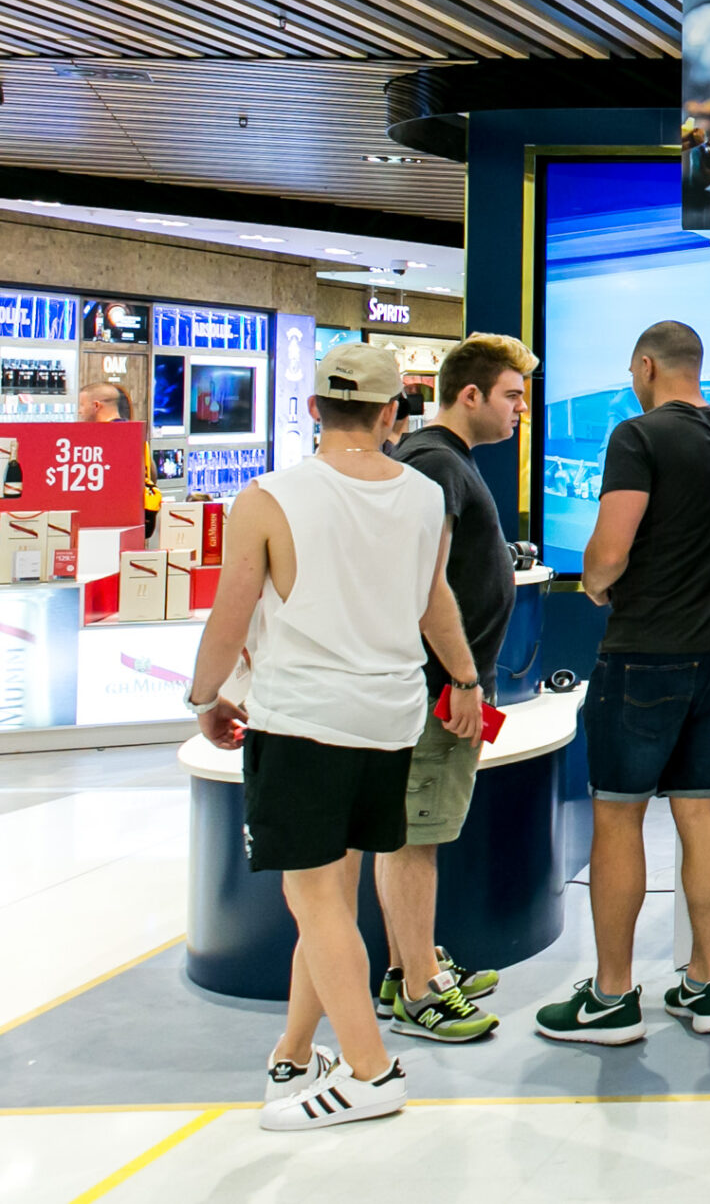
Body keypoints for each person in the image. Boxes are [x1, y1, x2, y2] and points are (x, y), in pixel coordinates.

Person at [182, 342, 478, 1132]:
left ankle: (371, 1070)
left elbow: (231, 615)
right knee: (332, 901)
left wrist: (204, 697)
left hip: (304, 719)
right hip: (388, 720)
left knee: (314, 900)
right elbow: (434, 602)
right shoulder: (423, 497)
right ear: (391, 414)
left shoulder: (270, 497)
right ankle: (294, 1050)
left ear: (314, 408)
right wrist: (470, 681)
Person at [537, 322, 710, 1046]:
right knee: (700, 811)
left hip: (644, 652)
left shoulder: (637, 436)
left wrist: (601, 582)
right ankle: (705, 983)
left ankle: (611, 998)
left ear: (646, 365)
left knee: (619, 816)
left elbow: (608, 550)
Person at [373, 333, 538, 1043]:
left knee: (416, 831)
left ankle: (409, 963)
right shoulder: (437, 463)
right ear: (468, 394)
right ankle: (418, 990)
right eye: (511, 395)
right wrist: (463, 675)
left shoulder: (441, 462)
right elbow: (425, 582)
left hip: (438, 682)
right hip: (436, 688)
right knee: (416, 837)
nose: (521, 410)